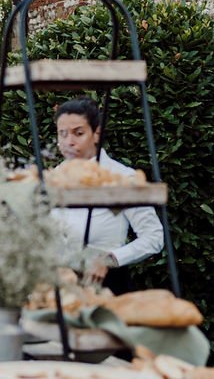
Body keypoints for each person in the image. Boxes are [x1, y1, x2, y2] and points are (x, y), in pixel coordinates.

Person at [50, 97, 164, 294]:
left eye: (78, 133)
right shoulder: (53, 177)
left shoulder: (122, 177)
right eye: (63, 134)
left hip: (108, 286)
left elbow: (154, 236)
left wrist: (110, 259)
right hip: (60, 286)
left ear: (96, 133)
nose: (69, 141)